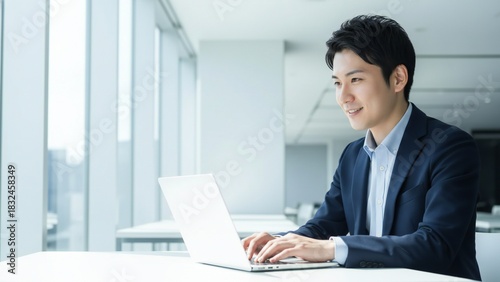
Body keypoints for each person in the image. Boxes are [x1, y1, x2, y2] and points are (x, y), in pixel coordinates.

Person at [242, 14, 481, 281]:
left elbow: (434, 246)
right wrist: (279, 242)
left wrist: (333, 248)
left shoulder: (449, 147)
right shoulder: (353, 156)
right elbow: (325, 224)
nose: (343, 97)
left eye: (355, 80)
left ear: (398, 79)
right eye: (337, 83)